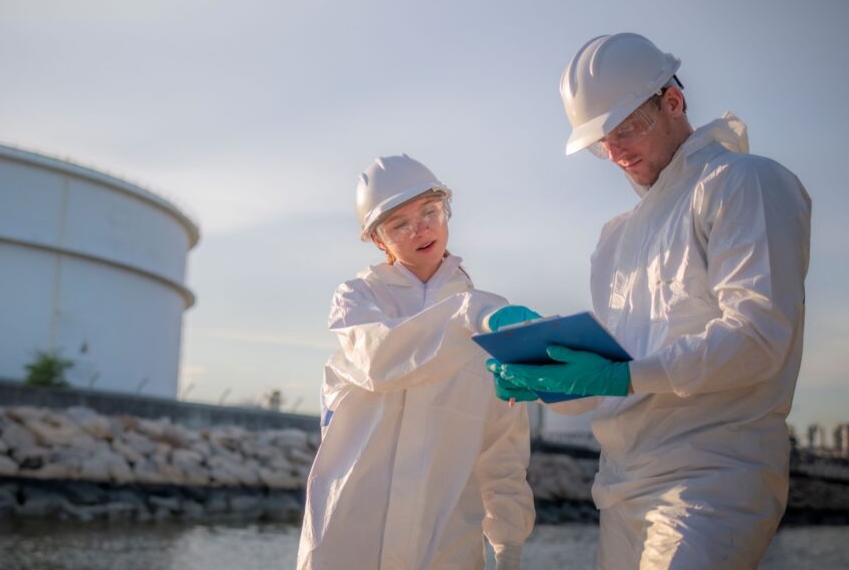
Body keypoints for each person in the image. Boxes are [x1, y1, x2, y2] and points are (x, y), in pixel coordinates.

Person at [489, 33, 811, 569]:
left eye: (627, 129)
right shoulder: (616, 238)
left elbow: (757, 341)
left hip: (711, 481)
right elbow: (616, 379)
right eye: (601, 142)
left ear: (674, 102)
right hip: (618, 488)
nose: (616, 152)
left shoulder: (744, 184)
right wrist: (546, 374)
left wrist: (620, 375)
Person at [297, 154, 534, 570]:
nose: (421, 229)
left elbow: (502, 443)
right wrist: (468, 315)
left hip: (447, 547)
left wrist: (508, 544)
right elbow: (380, 359)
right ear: (377, 240)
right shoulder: (358, 300)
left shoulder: (491, 317)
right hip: (349, 543)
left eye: (430, 212)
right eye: (399, 224)